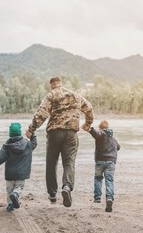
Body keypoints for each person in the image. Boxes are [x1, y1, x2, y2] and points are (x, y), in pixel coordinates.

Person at [26, 76, 94, 207]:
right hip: (72, 134)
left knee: (51, 163)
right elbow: (89, 108)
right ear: (61, 83)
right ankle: (67, 187)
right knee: (69, 162)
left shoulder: (51, 94)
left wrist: (31, 129)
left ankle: (52, 195)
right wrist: (88, 123)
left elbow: (42, 113)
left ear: (52, 85)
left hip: (54, 133)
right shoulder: (76, 95)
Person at [0, 122, 37, 211]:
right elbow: (34, 143)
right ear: (20, 132)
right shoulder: (27, 144)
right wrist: (32, 135)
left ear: (10, 133)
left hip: (10, 173)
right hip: (21, 173)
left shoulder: (7, 145)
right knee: (19, 187)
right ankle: (16, 194)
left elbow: (0, 158)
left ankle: (10, 205)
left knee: (9, 189)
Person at [82, 120, 120, 213]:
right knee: (109, 180)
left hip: (100, 161)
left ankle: (97, 198)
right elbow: (118, 147)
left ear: (100, 128)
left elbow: (96, 134)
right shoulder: (113, 138)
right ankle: (109, 199)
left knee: (98, 178)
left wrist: (89, 129)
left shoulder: (101, 134)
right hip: (111, 162)